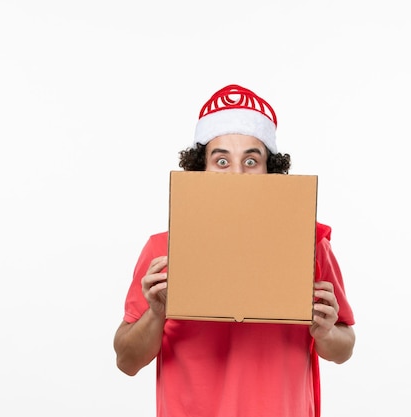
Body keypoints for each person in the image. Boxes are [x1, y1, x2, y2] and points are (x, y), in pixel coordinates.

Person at [113, 84, 356, 417]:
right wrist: (156, 313)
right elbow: (126, 361)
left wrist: (326, 332)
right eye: (222, 160)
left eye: (251, 160)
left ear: (270, 171)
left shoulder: (310, 245)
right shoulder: (162, 249)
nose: (237, 174)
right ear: (201, 169)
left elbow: (343, 349)